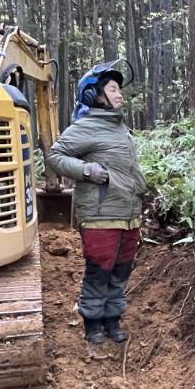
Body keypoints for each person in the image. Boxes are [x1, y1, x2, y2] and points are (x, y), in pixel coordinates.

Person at [48, 61, 148, 350]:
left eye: (119, 89)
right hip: (100, 215)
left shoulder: (121, 129)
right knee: (99, 269)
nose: (120, 95)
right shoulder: (86, 127)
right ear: (96, 95)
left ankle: (112, 320)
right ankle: (92, 323)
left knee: (121, 270)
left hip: (128, 214)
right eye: (113, 89)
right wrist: (87, 171)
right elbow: (55, 156)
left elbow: (127, 168)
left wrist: (142, 187)